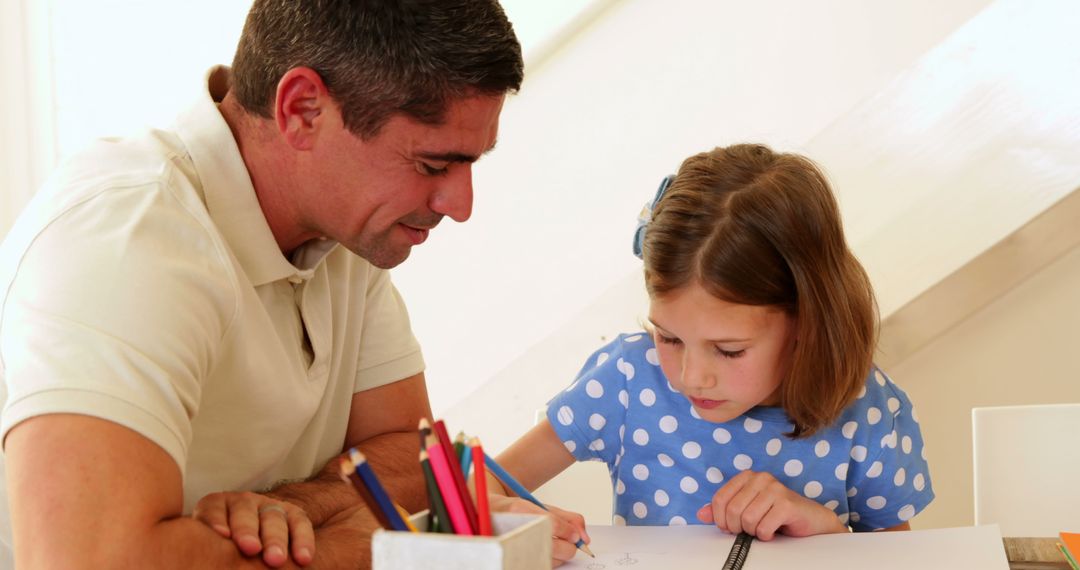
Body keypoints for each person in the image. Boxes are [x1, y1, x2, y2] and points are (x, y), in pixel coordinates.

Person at [0, 1, 523, 568]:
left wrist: (295, 507)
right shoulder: (124, 242)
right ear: (302, 109)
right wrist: (349, 547)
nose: (461, 205)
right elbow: (85, 561)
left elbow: (414, 458)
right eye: (431, 165)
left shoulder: (344, 228)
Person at [488, 144, 934, 558]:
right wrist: (508, 521)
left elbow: (897, 563)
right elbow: (475, 487)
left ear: (805, 321)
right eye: (669, 338)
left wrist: (823, 530)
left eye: (728, 350)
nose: (690, 377)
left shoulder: (868, 413)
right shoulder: (627, 380)